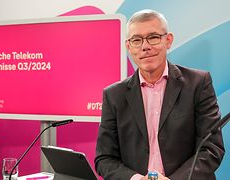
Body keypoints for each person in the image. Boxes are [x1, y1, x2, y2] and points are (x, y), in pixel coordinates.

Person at [94, 9, 225, 180]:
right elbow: (104, 158)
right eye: (136, 40)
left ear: (168, 40)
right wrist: (136, 179)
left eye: (153, 37)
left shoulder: (198, 84)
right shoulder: (114, 95)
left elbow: (211, 149)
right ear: (128, 46)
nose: (145, 46)